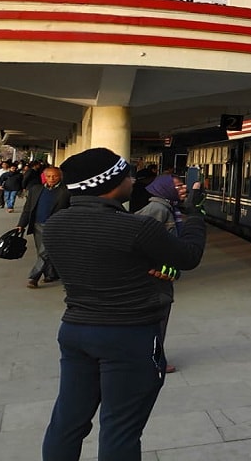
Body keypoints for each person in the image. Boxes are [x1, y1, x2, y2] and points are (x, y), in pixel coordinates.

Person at [40, 148, 206, 461]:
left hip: (75, 331)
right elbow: (189, 256)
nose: (133, 179)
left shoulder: (55, 225)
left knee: (67, 422)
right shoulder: (136, 228)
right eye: (126, 174)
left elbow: (102, 261)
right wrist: (194, 213)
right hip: (130, 336)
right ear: (110, 184)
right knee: (121, 429)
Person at [132, 174, 189, 373]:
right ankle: (154, 361)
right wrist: (150, 266)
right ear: (165, 189)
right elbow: (139, 240)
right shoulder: (158, 209)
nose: (183, 189)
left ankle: (152, 357)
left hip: (161, 274)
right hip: (154, 278)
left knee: (158, 317)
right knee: (157, 318)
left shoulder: (168, 208)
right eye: (179, 186)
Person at [18, 165, 70, 289]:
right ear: (44, 177)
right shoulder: (36, 189)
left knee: (44, 252)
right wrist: (21, 224)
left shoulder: (67, 192)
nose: (51, 178)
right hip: (38, 225)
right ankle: (51, 274)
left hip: (56, 226)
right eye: (48, 176)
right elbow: (28, 208)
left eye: (55, 176)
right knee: (42, 251)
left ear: (60, 177)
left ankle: (33, 277)